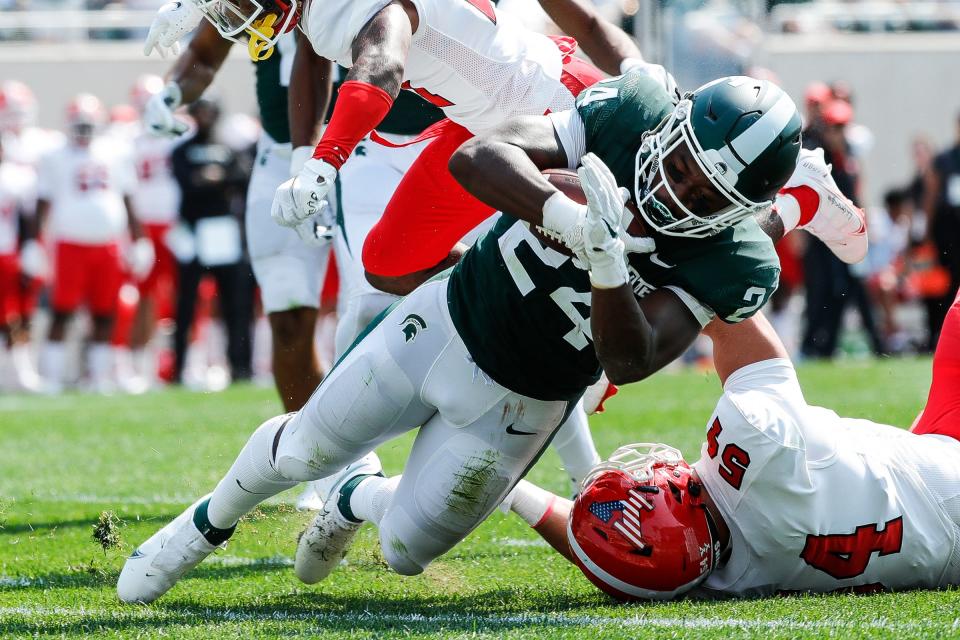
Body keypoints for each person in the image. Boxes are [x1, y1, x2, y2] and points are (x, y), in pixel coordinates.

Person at [115, 69, 821, 604]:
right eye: (679, 166)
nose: (674, 193)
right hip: (448, 321)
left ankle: (356, 497)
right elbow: (478, 156)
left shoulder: (737, 260)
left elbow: (627, 360)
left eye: (704, 197)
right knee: (305, 447)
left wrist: (609, 265)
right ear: (671, 129)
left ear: (740, 209)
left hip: (525, 404)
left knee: (404, 552)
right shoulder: (631, 111)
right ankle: (203, 525)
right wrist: (566, 218)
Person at [501, 287, 960, 599]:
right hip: (946, 474)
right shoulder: (750, 443)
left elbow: (611, 558)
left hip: (929, 510)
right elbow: (724, 298)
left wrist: (509, 489)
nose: (643, 471)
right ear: (672, 498)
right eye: (642, 482)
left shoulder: (713, 577)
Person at [36, 94, 154, 393]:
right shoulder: (55, 155)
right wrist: (34, 242)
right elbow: (43, 203)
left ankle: (99, 377)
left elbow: (128, 198)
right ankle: (52, 378)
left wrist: (139, 239)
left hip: (108, 244)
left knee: (106, 311)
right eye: (79, 124)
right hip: (70, 244)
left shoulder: (114, 151)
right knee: (62, 310)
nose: (84, 130)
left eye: (88, 124)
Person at [169, 97, 253, 384]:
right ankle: (178, 369)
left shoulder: (229, 148)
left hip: (225, 231)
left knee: (236, 304)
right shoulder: (182, 149)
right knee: (186, 304)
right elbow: (188, 184)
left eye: (209, 111)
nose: (205, 116)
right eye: (200, 111)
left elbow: (243, 177)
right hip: (194, 231)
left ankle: (241, 367)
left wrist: (213, 178)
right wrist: (217, 180)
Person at [924, 112, 960, 346]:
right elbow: (932, 195)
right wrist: (927, 232)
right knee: (946, 284)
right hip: (947, 231)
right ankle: (941, 334)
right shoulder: (944, 158)